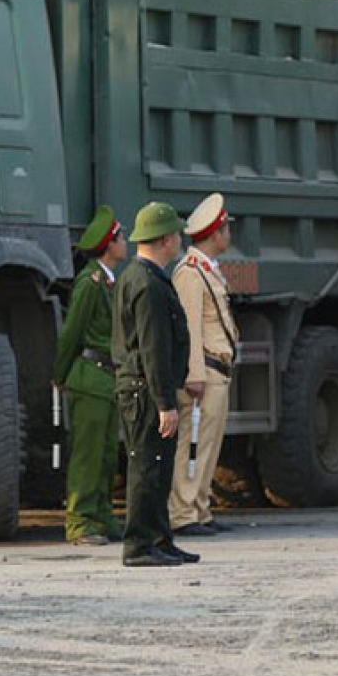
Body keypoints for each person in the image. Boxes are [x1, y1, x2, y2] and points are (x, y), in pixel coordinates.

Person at [112, 201, 200, 568]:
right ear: (165, 239)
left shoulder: (140, 275)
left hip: (145, 387)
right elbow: (153, 348)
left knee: (160, 467)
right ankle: (139, 546)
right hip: (145, 390)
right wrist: (165, 403)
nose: (180, 238)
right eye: (176, 233)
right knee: (146, 466)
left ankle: (160, 539)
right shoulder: (147, 283)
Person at [52, 206, 127, 546]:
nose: (124, 243)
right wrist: (60, 374)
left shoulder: (110, 282)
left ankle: (102, 514)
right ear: (108, 245)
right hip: (90, 376)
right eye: (120, 238)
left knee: (108, 454)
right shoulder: (91, 283)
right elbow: (71, 333)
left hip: (107, 379)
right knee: (87, 455)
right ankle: (80, 520)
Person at [169, 193, 240, 537]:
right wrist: (194, 374)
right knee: (193, 443)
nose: (229, 235)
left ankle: (200, 507)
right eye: (227, 229)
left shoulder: (207, 271)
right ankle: (183, 512)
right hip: (206, 372)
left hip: (218, 370)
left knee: (208, 444)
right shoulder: (191, 273)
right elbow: (190, 329)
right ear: (216, 233)